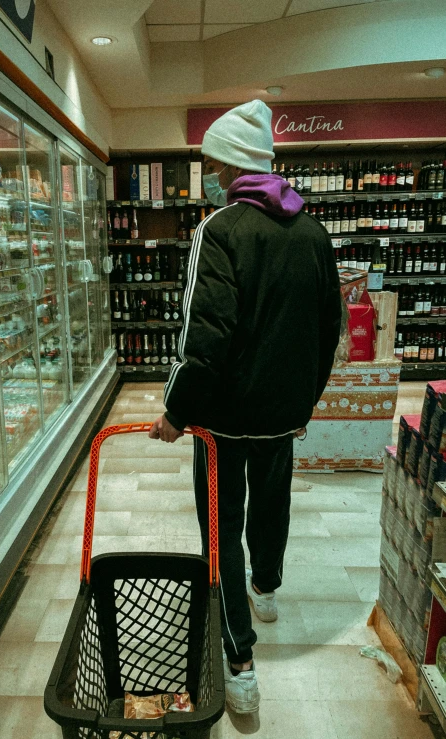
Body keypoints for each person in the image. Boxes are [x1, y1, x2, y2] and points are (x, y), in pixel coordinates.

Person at [149, 100, 342, 714]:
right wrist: (303, 399)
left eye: (209, 162)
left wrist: (176, 413)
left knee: (220, 526)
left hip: (225, 418)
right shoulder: (313, 233)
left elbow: (203, 336)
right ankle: (267, 587)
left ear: (229, 165)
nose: (206, 173)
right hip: (283, 411)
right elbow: (327, 329)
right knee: (273, 499)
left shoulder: (220, 230)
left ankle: (239, 661)